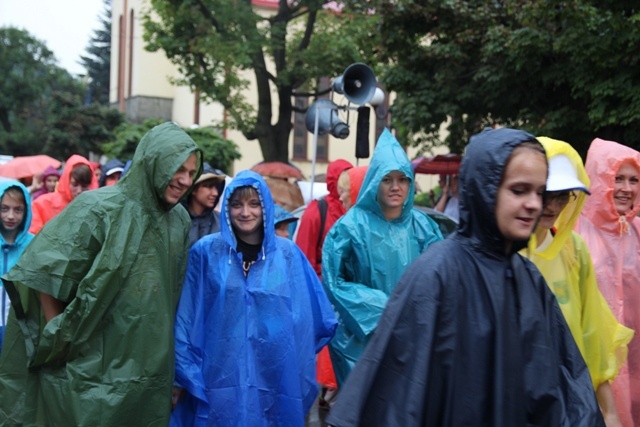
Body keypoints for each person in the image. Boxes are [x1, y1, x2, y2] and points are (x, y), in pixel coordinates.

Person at [326, 128, 604, 427]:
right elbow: (401, 395)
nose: (535, 204)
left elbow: (562, 384)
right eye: (519, 190)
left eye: (539, 191)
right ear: (485, 188)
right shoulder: (437, 274)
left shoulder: (528, 280)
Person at [0, 121, 202, 426]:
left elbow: (170, 296)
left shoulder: (178, 220)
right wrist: (60, 334)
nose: (185, 180)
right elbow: (45, 268)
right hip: (90, 367)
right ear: (152, 161)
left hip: (149, 368)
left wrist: (172, 373)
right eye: (177, 169)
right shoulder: (98, 208)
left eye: (191, 172)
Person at [170, 170, 337, 426]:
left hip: (273, 375)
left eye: (253, 204)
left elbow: (310, 318)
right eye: (236, 204)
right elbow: (186, 317)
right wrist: (186, 373)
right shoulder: (206, 252)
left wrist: (290, 359)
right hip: (217, 376)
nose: (245, 212)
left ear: (265, 206)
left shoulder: (288, 256)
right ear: (226, 207)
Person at [524, 137, 633, 426]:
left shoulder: (574, 249)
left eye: (563, 195)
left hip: (571, 403)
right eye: (547, 193)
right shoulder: (503, 254)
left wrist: (609, 413)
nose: (553, 205)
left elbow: (592, 335)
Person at [321, 129, 443, 387]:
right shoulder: (349, 227)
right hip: (361, 341)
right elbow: (334, 282)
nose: (396, 187)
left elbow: (442, 279)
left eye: (402, 179)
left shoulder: (423, 227)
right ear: (375, 181)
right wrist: (383, 308)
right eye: (387, 179)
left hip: (413, 338)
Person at [576, 137, 640, 427]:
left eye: (634, 180)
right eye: (618, 179)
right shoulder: (574, 232)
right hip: (594, 370)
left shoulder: (636, 231)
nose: (626, 189)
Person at [0, 181, 33, 351]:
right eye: (4, 208)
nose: (11, 216)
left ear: (26, 211)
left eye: (17, 209)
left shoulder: (33, 244)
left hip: (20, 327)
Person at [29, 154, 98, 233]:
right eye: (75, 185)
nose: (79, 190)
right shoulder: (42, 204)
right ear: (67, 181)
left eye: (84, 186)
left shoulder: (96, 208)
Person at [183, 162, 226, 247]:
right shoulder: (177, 220)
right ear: (193, 190)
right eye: (209, 187)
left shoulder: (222, 221)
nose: (215, 193)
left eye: (216, 187)